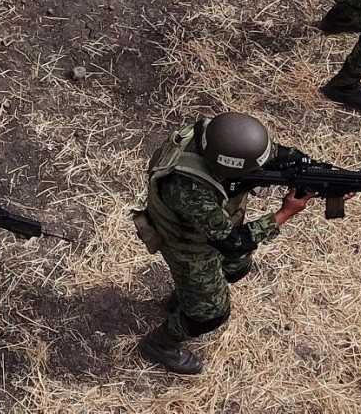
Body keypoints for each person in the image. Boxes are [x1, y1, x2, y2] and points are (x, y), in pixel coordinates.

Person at [132, 112, 315, 375]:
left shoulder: (215, 136)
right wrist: (284, 213)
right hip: (188, 245)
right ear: (228, 167)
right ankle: (160, 345)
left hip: (211, 231)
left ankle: (184, 299)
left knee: (235, 269)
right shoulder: (190, 191)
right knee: (211, 314)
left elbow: (269, 154)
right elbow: (232, 243)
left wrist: (310, 169)